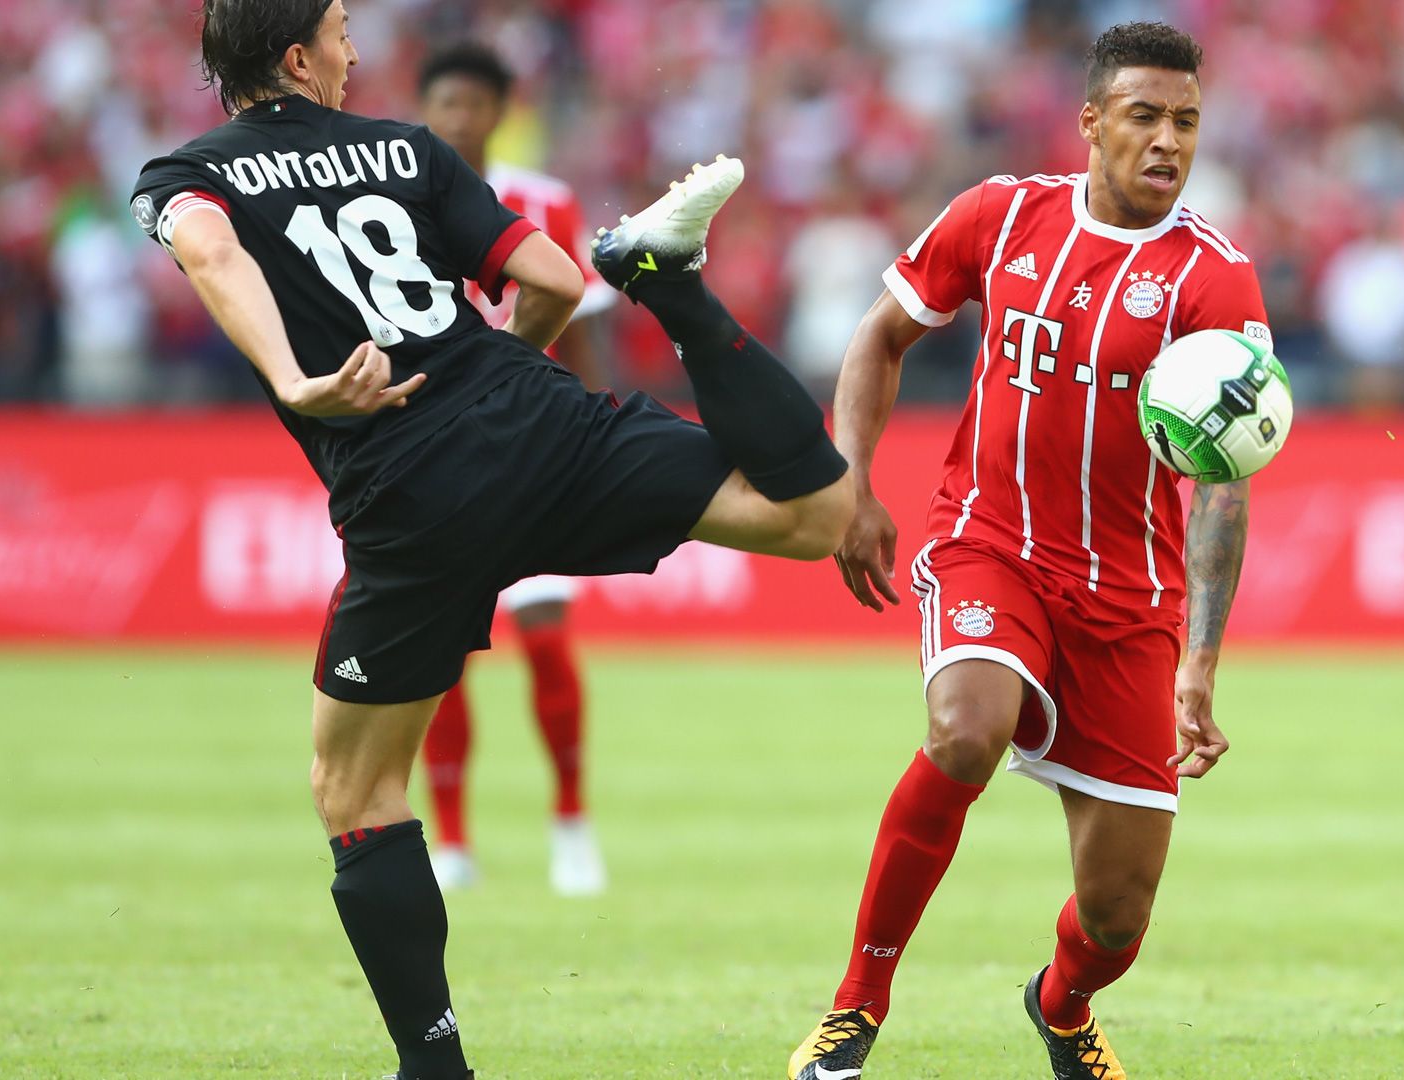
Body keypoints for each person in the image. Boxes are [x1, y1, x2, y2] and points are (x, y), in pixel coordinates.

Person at [130, 2, 852, 1077]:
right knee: (812, 516)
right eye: (340, 31)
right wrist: (505, 373)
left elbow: (211, 252)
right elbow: (553, 280)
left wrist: (294, 381)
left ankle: (435, 1066)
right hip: (539, 420)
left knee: (355, 791)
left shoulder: (185, 173)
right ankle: (675, 288)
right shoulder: (409, 148)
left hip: (412, 495)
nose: (354, 51)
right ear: (297, 57)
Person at [790, 22, 1264, 1080]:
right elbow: (879, 335)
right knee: (967, 730)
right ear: (1091, 121)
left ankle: (1061, 1006)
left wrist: (1199, 659)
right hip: (990, 545)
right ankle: (855, 1008)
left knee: (1117, 916)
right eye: (1145, 116)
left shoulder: (1216, 280)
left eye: (1187, 121)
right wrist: (852, 482)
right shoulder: (1000, 216)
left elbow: (1224, 485)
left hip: (1129, 597)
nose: (1168, 141)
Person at [415, 43, 617, 897]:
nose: (459, 118)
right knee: (439, 653)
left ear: (500, 112)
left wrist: (600, 430)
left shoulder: (546, 202)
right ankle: (452, 840)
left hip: (535, 449)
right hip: (433, 455)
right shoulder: (394, 194)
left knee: (545, 637)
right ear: (426, 109)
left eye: (474, 103)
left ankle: (570, 821)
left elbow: (586, 325)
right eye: (446, 102)